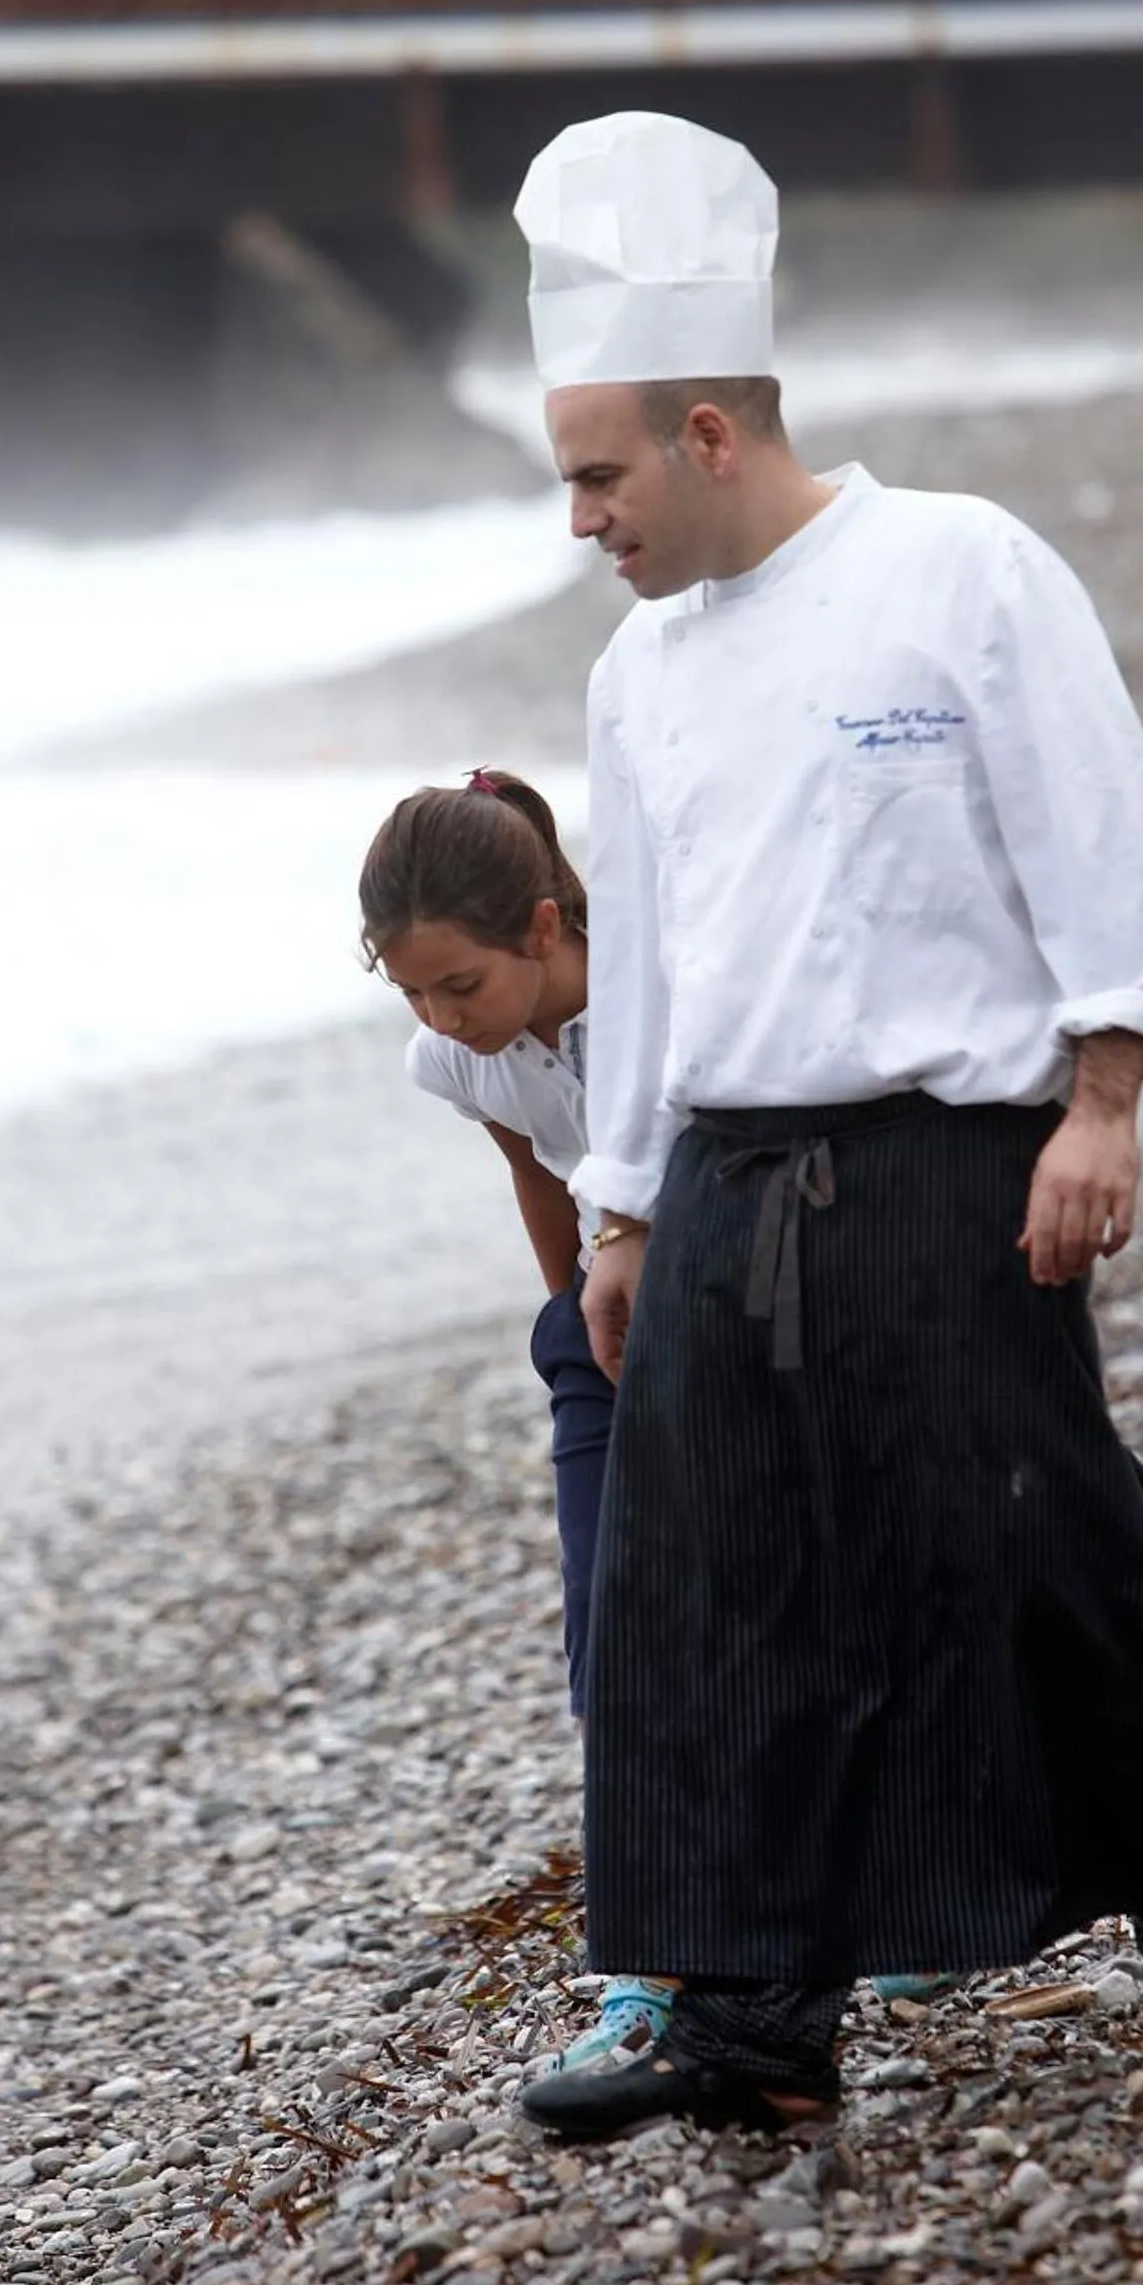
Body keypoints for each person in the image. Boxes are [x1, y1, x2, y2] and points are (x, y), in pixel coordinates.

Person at [508, 110, 1143, 2141]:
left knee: (1044, 1557)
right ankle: (751, 2015)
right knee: (703, 1603)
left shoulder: (955, 567)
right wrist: (617, 1218)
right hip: (722, 1180)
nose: (577, 518)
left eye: (595, 475)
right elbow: (662, 960)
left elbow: (1094, 824)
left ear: (706, 432)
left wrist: (1103, 1095)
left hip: (958, 1160)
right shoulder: (636, 676)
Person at [359, 767, 678, 2075]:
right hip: (605, 1330)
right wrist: (579, 1335)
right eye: (415, 994)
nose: (442, 1019)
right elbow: (534, 1169)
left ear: (544, 929)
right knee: (612, 1640)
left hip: (738, 1307)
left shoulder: (668, 994)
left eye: (461, 987)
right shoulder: (458, 1054)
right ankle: (647, 1971)